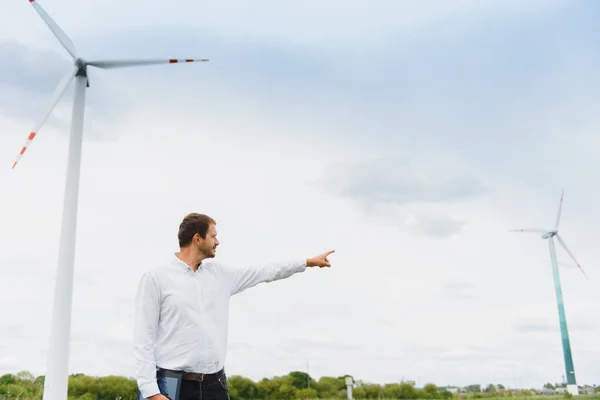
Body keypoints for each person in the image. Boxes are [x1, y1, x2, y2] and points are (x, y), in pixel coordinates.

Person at [133, 213, 335, 400]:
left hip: (215, 385)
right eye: (213, 236)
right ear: (197, 239)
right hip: (174, 388)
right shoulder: (156, 279)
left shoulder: (221, 276)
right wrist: (151, 392)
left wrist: (306, 262)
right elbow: (144, 338)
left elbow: (265, 271)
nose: (218, 242)